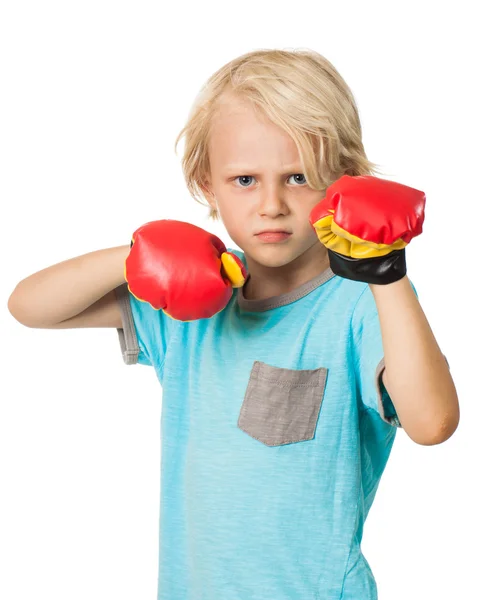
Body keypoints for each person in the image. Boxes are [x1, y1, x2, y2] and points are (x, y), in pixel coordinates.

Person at [7, 48, 459, 600]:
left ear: (345, 182)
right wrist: (134, 256)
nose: (271, 204)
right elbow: (29, 306)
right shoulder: (192, 300)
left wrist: (388, 276)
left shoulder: (360, 305)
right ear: (206, 183)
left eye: (298, 177)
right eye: (244, 179)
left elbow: (432, 423)